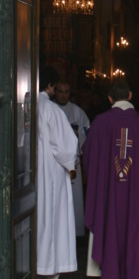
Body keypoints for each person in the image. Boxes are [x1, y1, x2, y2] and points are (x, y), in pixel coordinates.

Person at [82, 77, 139, 279]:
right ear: (130, 95)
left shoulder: (100, 121)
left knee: (108, 222)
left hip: (109, 190)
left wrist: (99, 179)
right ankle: (135, 276)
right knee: (136, 223)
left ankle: (110, 275)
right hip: (137, 190)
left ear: (109, 99)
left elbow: (87, 154)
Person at [36, 66, 79, 279]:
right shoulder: (50, 109)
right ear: (50, 85)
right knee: (52, 221)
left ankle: (35, 271)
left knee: (39, 221)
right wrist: (71, 164)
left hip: (32, 174)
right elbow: (66, 145)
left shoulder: (26, 105)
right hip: (51, 173)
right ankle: (50, 274)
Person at [54, 80, 90, 238]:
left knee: (74, 197)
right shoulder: (50, 110)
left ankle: (75, 231)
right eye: (60, 91)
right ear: (55, 92)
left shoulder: (77, 112)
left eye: (66, 91)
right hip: (53, 161)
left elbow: (86, 134)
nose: (63, 95)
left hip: (72, 162)